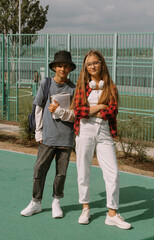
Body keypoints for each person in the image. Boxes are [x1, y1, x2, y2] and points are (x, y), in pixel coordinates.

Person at [70, 50, 131, 229]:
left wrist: (92, 109)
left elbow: (112, 111)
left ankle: (112, 213)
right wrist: (99, 106)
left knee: (113, 173)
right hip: (85, 130)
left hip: (104, 132)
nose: (93, 66)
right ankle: (85, 207)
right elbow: (78, 111)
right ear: (86, 68)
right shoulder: (82, 86)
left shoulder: (110, 86)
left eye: (95, 62)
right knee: (83, 170)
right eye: (89, 64)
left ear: (101, 64)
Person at [20, 50, 76, 218]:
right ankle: (35, 202)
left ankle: (56, 202)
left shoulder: (74, 88)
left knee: (61, 173)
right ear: (54, 68)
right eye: (59, 66)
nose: (63, 69)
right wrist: (38, 132)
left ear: (70, 69)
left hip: (66, 138)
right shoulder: (46, 84)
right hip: (48, 136)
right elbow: (38, 108)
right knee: (39, 169)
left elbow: (75, 114)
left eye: (66, 66)